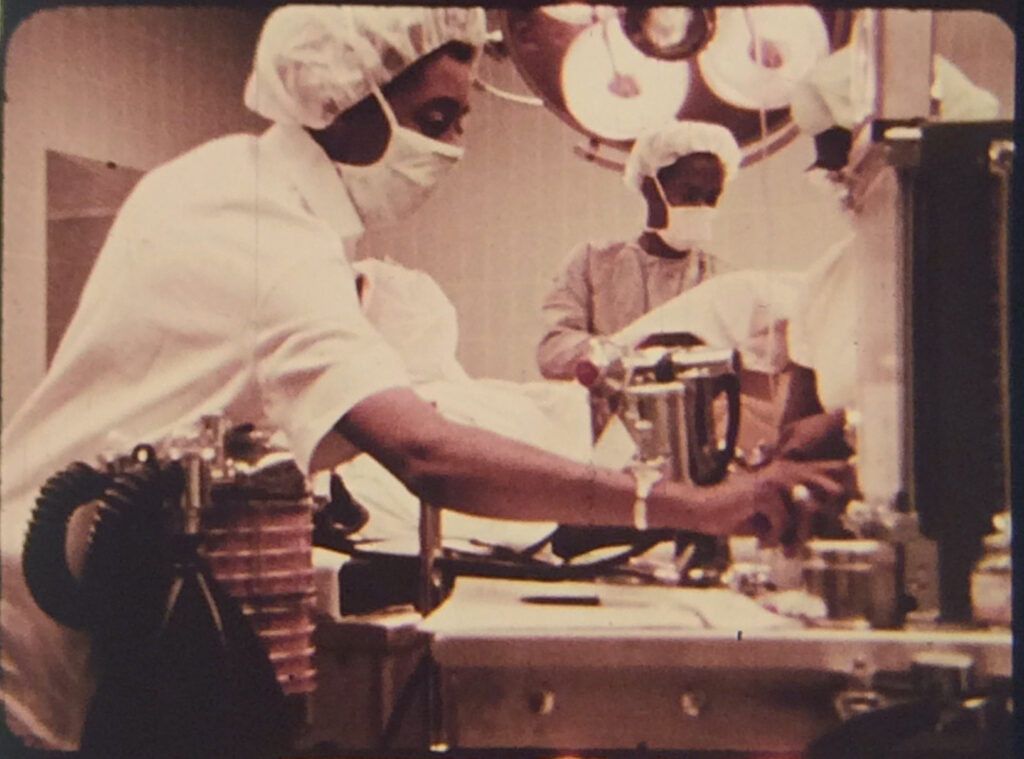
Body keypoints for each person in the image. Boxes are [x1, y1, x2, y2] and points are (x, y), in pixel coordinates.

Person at [0, 6, 852, 755]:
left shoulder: (235, 180)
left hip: (104, 591)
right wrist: (691, 504)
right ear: (340, 102)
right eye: (435, 118)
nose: (450, 149)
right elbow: (425, 453)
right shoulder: (263, 226)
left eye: (460, 121)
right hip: (50, 626)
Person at [535, 119, 742, 381]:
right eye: (690, 195)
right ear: (649, 189)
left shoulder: (721, 279)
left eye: (712, 197)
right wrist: (626, 350)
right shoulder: (592, 262)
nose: (702, 206)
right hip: (608, 416)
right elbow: (553, 352)